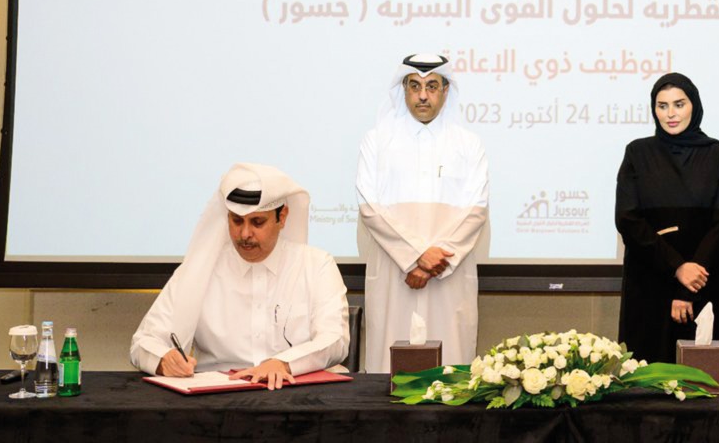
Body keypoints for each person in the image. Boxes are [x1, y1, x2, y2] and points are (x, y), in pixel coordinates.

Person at [130, 164, 350, 389]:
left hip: (297, 393)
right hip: (218, 398)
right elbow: (143, 342)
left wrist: (284, 363)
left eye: (257, 222)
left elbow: (335, 339)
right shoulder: (199, 270)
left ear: (282, 217)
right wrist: (163, 360)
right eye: (236, 221)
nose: (245, 234)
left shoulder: (316, 265)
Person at [356, 54, 489, 373]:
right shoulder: (377, 142)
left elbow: (476, 211)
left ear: (445, 90)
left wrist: (433, 262)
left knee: (452, 371)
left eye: (432, 86)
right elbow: (369, 208)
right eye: (415, 86)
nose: (423, 96)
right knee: (389, 371)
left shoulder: (469, 145)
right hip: (395, 274)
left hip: (447, 277)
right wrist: (416, 256)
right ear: (404, 90)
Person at [615, 73, 719, 372]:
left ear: (693, 106)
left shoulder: (718, 154)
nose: (670, 113)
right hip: (649, 286)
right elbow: (628, 219)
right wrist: (677, 267)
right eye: (662, 106)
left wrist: (688, 286)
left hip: (705, 284)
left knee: (704, 383)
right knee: (644, 383)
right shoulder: (637, 153)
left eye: (679, 104)